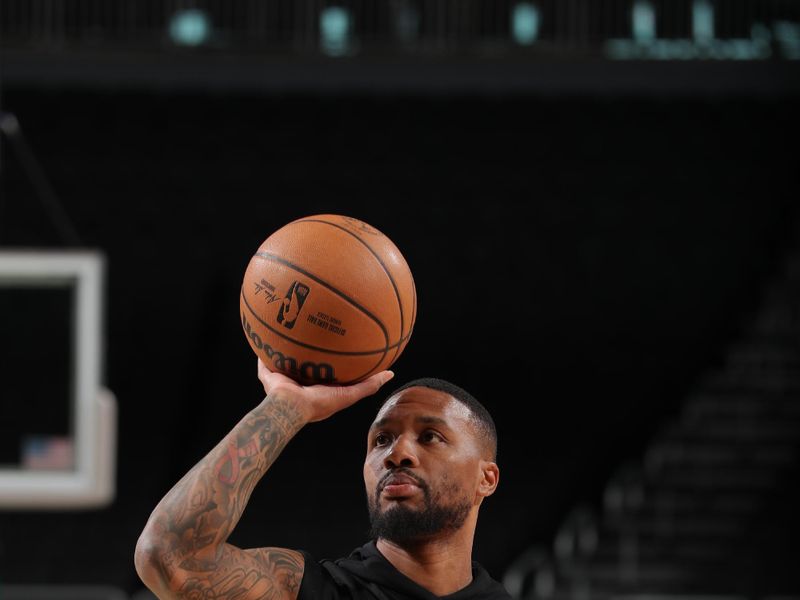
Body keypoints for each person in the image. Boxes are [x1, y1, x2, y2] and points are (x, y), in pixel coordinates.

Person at [135, 359, 511, 599]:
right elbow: (170, 553)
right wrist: (288, 404)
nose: (397, 454)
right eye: (381, 440)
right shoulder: (309, 591)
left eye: (430, 436)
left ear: (487, 478)